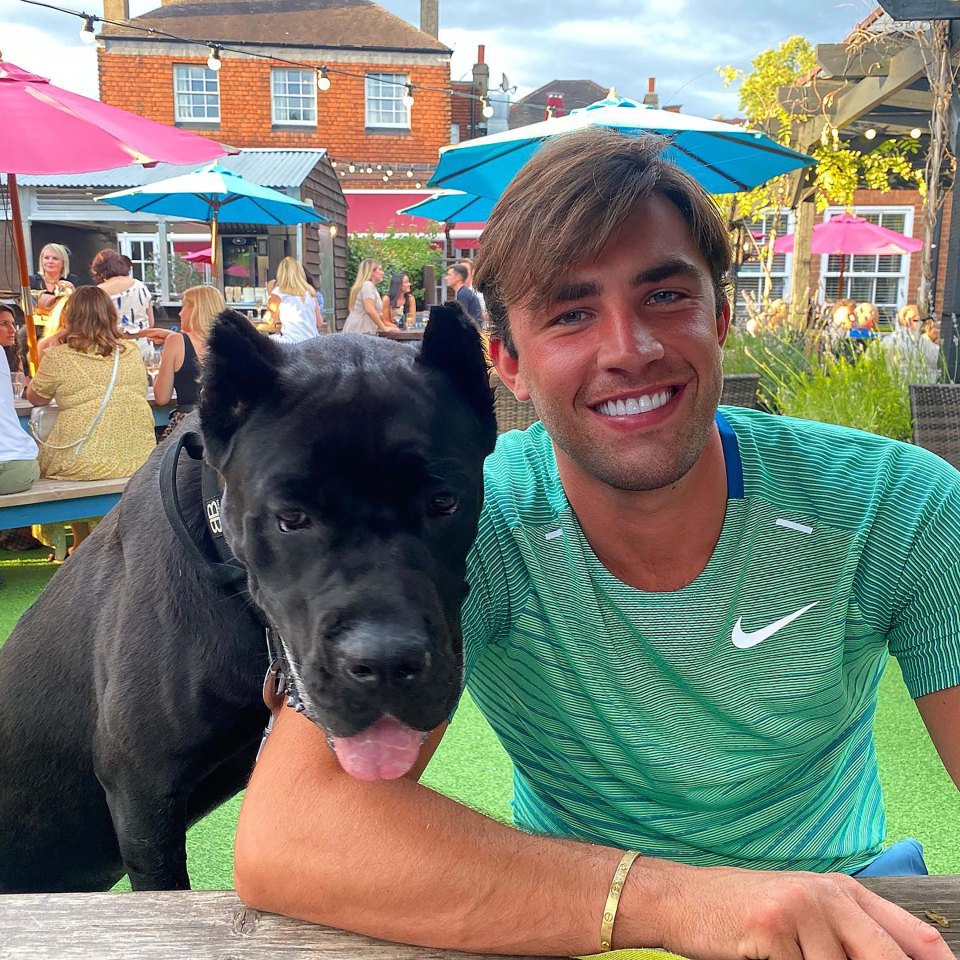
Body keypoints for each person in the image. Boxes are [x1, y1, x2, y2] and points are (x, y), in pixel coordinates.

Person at [233, 129, 958, 960]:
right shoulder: (474, 523)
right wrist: (679, 903)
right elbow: (288, 834)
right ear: (507, 361)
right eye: (572, 312)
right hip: (579, 926)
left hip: (840, 911)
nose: (629, 349)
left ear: (721, 316)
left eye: (665, 297)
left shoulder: (895, 507)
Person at [25, 286, 155, 550]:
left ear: (69, 316)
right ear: (110, 314)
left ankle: (77, 540)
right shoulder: (130, 351)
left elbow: (35, 397)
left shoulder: (59, 356)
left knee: (46, 463)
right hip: (137, 456)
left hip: (82, 460)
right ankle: (90, 541)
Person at [142, 285, 225, 438]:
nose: (180, 313)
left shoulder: (176, 341)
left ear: (196, 310)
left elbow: (161, 397)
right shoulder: (231, 343)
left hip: (188, 429)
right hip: (224, 429)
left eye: (184, 305)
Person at [0, 304, 40, 496]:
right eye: (3, 324)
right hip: (19, 467)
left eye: (13, 324)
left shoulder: (6, 354)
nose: (12, 330)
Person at [90, 248, 154, 340]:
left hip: (112, 346)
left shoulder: (99, 292)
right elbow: (150, 322)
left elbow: (94, 325)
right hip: (141, 344)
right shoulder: (140, 286)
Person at [263, 258, 323, 344]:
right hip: (312, 342)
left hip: (292, 342)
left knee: (262, 344)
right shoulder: (310, 292)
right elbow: (319, 322)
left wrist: (270, 294)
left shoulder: (278, 292)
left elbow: (270, 320)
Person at [883, 302, 940, 383]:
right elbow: (942, 361)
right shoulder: (923, 344)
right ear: (910, 320)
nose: (926, 323)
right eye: (924, 319)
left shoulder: (885, 341)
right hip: (927, 391)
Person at [30, 243, 81, 321]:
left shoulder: (72, 280)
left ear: (63, 263)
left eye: (55, 258)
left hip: (63, 324)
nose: (50, 261)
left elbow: (79, 307)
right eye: (46, 258)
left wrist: (73, 291)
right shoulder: (32, 281)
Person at [342, 258, 388, 334]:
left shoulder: (368, 286)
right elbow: (370, 309)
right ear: (371, 271)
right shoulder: (368, 285)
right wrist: (384, 328)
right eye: (380, 269)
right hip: (361, 328)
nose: (382, 273)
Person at [445, 262, 483, 327]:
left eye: (449, 275)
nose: (446, 278)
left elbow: (462, 319)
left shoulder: (463, 294)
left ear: (458, 278)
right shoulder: (464, 292)